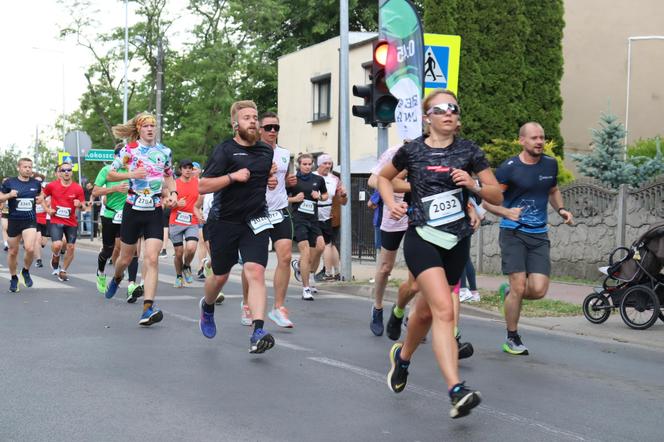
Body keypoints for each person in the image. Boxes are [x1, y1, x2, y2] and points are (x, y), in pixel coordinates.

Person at [378, 89, 503, 419]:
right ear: (427, 117)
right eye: (441, 109)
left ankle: (402, 359)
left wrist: (474, 185)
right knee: (445, 310)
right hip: (422, 236)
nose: (449, 113)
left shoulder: (469, 151)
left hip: (457, 240)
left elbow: (497, 194)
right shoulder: (412, 151)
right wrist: (391, 203)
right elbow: (382, 179)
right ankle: (456, 389)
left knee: (425, 314)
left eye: (454, 109)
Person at [482, 122, 573, 355]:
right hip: (513, 232)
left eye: (542, 137)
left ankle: (509, 292)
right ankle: (512, 337)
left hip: (539, 234)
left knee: (539, 289)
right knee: (519, 285)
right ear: (522, 140)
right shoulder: (509, 168)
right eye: (534, 138)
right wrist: (506, 212)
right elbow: (488, 200)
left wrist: (561, 210)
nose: (540, 142)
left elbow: (552, 191)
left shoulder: (550, 164)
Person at [197, 100, 277, 353]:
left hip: (255, 221)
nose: (253, 121)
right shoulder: (225, 151)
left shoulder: (266, 152)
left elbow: (263, 177)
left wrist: (271, 179)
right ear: (235, 125)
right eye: (247, 118)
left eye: (255, 117)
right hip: (224, 222)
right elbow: (202, 185)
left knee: (255, 271)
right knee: (220, 276)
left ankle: (258, 330)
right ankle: (207, 306)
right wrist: (232, 177)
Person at [104, 112, 177, 327]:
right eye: (145, 126)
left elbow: (169, 175)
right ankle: (117, 278)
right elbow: (111, 174)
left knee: (151, 258)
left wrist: (173, 194)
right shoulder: (129, 151)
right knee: (125, 259)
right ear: (139, 129)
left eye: (153, 125)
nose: (150, 129)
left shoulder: (164, 151)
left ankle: (147, 307)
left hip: (154, 209)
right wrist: (131, 175)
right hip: (133, 209)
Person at [367, 146, 409, 336]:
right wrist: (407, 186)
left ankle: (412, 316)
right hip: (395, 212)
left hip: (423, 213)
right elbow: (373, 179)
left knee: (422, 270)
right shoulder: (395, 152)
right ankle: (377, 307)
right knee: (385, 267)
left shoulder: (439, 150)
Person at [260, 111, 297, 327]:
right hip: (257, 211)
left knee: (284, 258)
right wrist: (264, 177)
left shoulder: (284, 154)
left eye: (276, 127)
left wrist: (290, 181)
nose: (273, 131)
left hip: (280, 210)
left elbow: (284, 180)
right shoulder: (252, 153)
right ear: (260, 130)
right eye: (268, 127)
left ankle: (278, 308)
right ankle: (247, 303)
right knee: (256, 263)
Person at [92, 147, 144, 302]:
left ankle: (131, 285)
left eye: (130, 156)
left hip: (130, 214)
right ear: (117, 156)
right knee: (108, 249)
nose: (127, 159)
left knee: (131, 250)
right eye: (125, 156)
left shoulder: (135, 171)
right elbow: (95, 191)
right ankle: (101, 272)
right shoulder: (107, 170)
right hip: (110, 214)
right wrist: (114, 188)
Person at [288, 153, 328, 300]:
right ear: (299, 165)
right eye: (304, 164)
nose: (307, 166)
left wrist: (320, 197)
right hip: (299, 219)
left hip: (313, 219)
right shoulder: (293, 180)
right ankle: (306, 288)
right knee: (305, 253)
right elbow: (282, 197)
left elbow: (325, 195)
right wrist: (294, 198)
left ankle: (302, 268)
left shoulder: (318, 179)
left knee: (321, 247)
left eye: (309, 164)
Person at [0, 158, 42, 292]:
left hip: (29, 220)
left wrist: (41, 199)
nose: (28, 169)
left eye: (30, 167)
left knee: (29, 248)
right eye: (25, 167)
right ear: (19, 168)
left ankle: (25, 271)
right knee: (13, 252)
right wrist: (9, 195)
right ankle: (13, 277)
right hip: (13, 220)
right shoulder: (9, 182)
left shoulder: (36, 183)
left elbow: (40, 196)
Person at [43, 162, 85, 282]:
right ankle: (55, 256)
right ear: (60, 173)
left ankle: (63, 270)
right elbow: (41, 197)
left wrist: (80, 205)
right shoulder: (52, 186)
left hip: (71, 222)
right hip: (56, 220)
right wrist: (47, 209)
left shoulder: (77, 188)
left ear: (71, 172)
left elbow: (84, 206)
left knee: (71, 247)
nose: (66, 172)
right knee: (57, 245)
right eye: (63, 170)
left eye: (69, 170)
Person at [311, 154, 347, 283]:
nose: (327, 166)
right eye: (324, 163)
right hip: (313, 213)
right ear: (319, 164)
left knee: (328, 244)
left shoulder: (335, 179)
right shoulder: (312, 176)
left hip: (329, 215)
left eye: (329, 163)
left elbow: (343, 201)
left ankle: (331, 273)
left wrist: (343, 194)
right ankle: (328, 272)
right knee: (323, 245)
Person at [169, 159, 202, 288]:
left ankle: (187, 266)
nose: (188, 170)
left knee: (191, 248)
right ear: (180, 170)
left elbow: (202, 198)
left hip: (192, 220)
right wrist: (176, 203)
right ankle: (178, 276)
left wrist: (200, 211)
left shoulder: (198, 183)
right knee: (178, 253)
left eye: (190, 168)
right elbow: (167, 203)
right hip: (176, 221)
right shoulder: (174, 184)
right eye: (185, 167)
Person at [33, 173, 48, 268]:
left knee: (43, 242)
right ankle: (39, 260)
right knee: (37, 239)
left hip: (45, 219)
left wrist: (43, 202)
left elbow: (49, 204)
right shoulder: (30, 190)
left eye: (40, 181)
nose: (38, 182)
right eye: (36, 181)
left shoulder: (45, 192)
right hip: (34, 218)